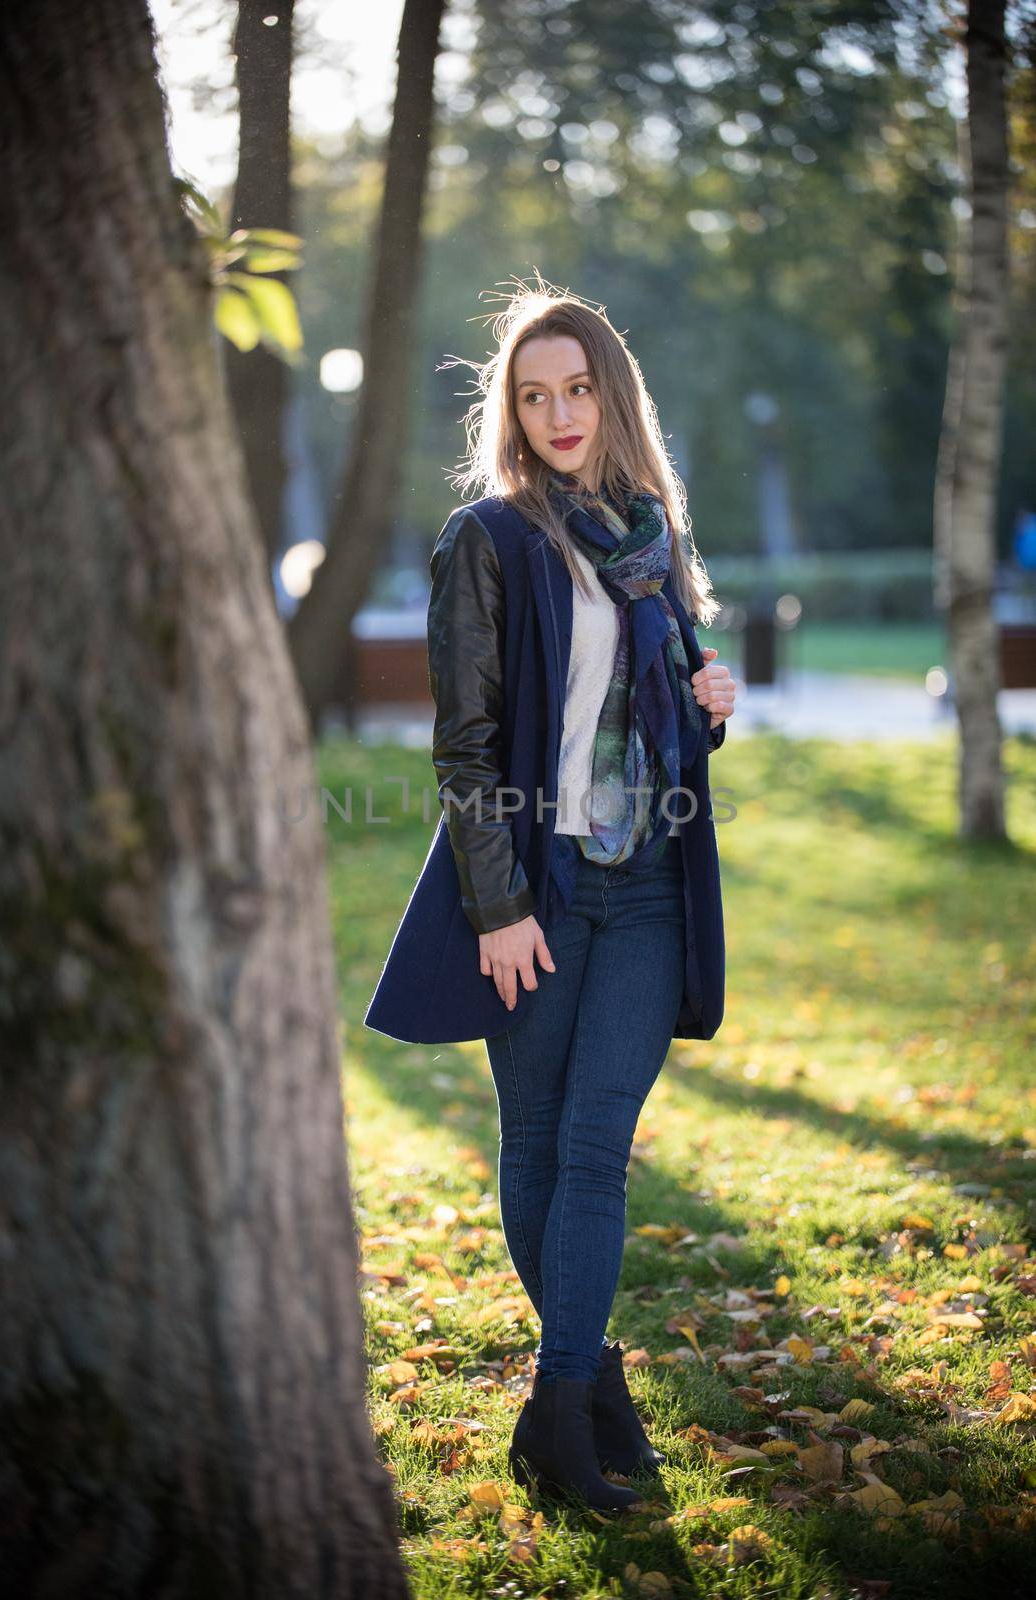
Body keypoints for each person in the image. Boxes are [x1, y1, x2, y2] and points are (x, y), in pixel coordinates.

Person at [364, 283, 734, 1512]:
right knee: (532, 1144)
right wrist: (499, 904)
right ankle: (592, 1397)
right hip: (535, 886)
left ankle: (556, 1409)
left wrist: (710, 709)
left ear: (609, 394)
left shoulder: (649, 540)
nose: (559, 411)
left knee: (593, 1147)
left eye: (577, 388)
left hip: (643, 891)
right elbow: (465, 750)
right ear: (511, 413)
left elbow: (661, 729)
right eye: (534, 394)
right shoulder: (491, 540)